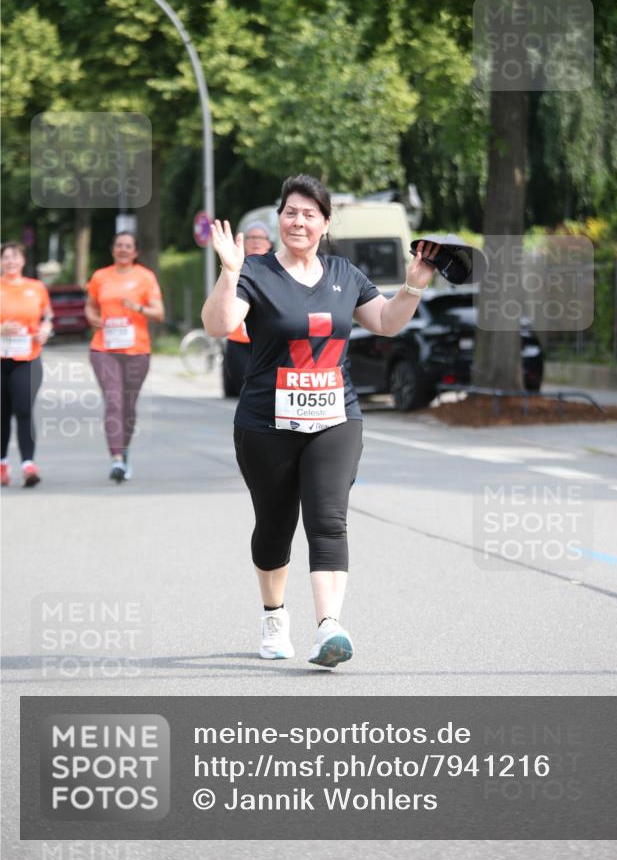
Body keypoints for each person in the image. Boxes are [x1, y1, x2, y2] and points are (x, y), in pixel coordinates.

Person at [202, 174, 438, 667]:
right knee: (274, 525)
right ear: (279, 217)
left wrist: (412, 287)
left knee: (328, 520)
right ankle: (274, 616)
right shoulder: (256, 273)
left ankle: (329, 627)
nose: (299, 221)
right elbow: (220, 324)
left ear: (326, 223)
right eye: (291, 212)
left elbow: (387, 322)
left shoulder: (345, 274)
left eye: (310, 214)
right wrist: (229, 270)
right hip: (266, 423)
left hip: (336, 416)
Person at [85, 231, 164, 483]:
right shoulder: (100, 277)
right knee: (114, 402)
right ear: (112, 249)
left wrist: (137, 307)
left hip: (136, 351)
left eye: (128, 246)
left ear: (136, 251)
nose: (123, 249)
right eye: (119, 245)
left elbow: (159, 313)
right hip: (104, 349)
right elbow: (90, 304)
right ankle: (116, 459)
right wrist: (92, 317)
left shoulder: (145, 277)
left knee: (128, 407)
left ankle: (124, 451)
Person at [0, 241, 53, 487]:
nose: (10, 261)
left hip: (28, 357)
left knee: (23, 409)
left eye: (15, 257)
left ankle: (28, 465)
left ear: (23, 260)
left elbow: (48, 317)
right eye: (6, 257)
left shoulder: (36, 287)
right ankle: (2, 464)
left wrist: (46, 330)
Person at [222, 221, 273, 398]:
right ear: (243, 243)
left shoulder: (278, 269)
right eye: (251, 237)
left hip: (269, 341)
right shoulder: (234, 267)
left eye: (260, 237)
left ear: (269, 243)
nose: (256, 241)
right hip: (239, 340)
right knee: (246, 392)